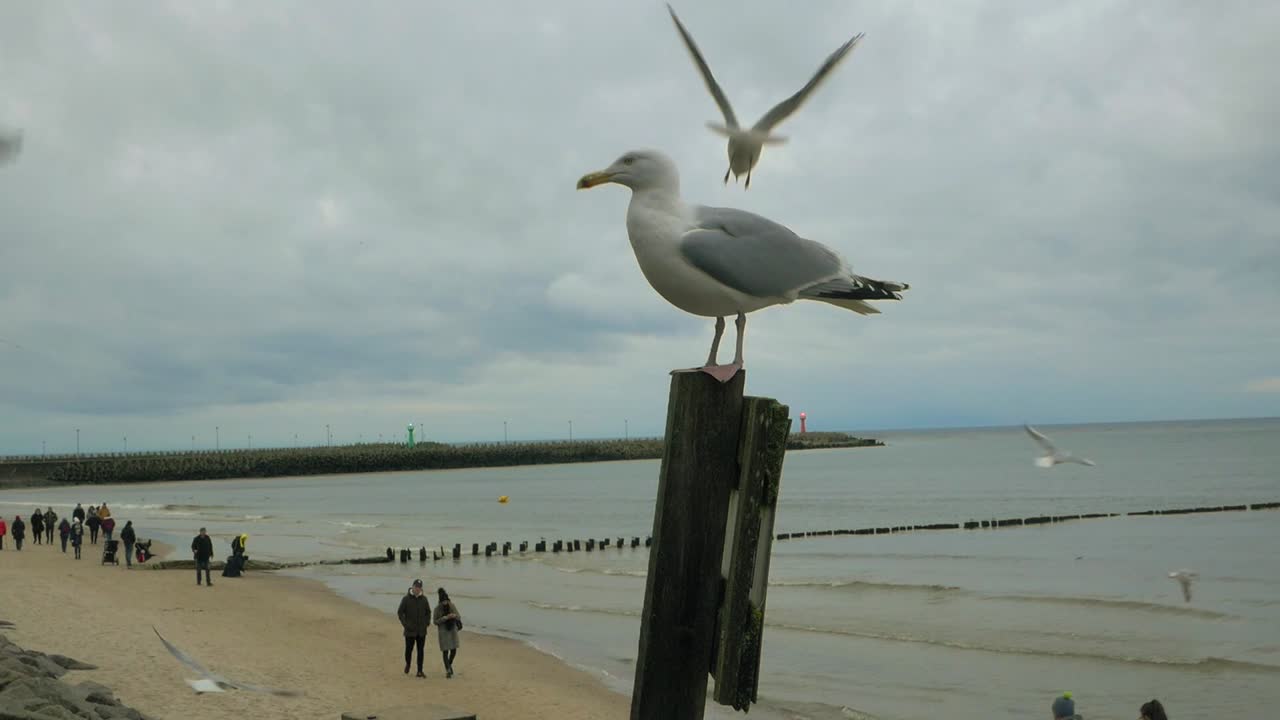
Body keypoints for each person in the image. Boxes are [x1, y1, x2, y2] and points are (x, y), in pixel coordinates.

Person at [397, 579, 431, 678]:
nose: (417, 589)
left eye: (419, 587)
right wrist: (405, 624)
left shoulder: (424, 599)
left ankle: (420, 671)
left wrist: (426, 623)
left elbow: (428, 612)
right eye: (416, 587)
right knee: (409, 650)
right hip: (410, 631)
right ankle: (408, 664)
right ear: (412, 587)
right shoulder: (406, 599)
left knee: (421, 650)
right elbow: (400, 612)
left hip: (421, 631)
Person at [433, 587, 462, 678]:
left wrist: (454, 615)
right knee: (445, 651)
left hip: (452, 630)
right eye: (443, 601)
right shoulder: (437, 609)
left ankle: (449, 664)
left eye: (446, 600)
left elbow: (459, 616)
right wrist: (445, 618)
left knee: (454, 650)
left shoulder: (451, 605)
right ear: (440, 601)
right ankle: (448, 670)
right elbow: (435, 621)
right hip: (443, 631)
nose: (445, 603)